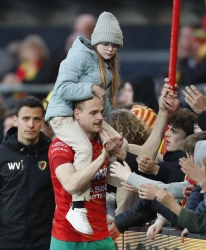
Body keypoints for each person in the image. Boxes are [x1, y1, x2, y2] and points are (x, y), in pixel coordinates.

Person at [45, 11, 124, 234]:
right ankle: (77, 207)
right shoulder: (79, 55)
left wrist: (106, 114)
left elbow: (103, 103)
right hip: (62, 114)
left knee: (120, 145)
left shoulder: (107, 64)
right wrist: (90, 88)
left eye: (115, 46)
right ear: (97, 41)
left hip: (84, 115)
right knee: (84, 148)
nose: (110, 49)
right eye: (106, 44)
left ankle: (110, 197)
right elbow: (61, 89)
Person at [48, 95, 116, 249]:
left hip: (102, 236)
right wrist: (103, 157)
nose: (100, 117)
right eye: (93, 113)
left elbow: (143, 155)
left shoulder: (105, 142)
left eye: (101, 111)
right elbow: (71, 184)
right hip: (68, 238)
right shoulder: (61, 146)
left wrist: (163, 113)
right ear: (77, 114)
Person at [0, 96, 55, 250]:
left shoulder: (53, 154)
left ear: (42, 122)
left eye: (36, 119)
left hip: (45, 240)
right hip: (8, 241)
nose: (31, 124)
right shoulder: (2, 155)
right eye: (26, 118)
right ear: (15, 120)